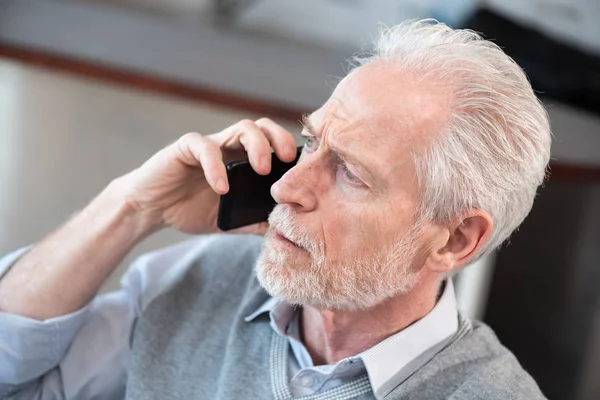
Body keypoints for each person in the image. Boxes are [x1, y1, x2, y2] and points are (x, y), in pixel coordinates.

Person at [0, 19, 550, 400]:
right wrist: (132, 207)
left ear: (456, 240)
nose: (289, 187)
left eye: (350, 174)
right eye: (311, 143)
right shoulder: (201, 280)